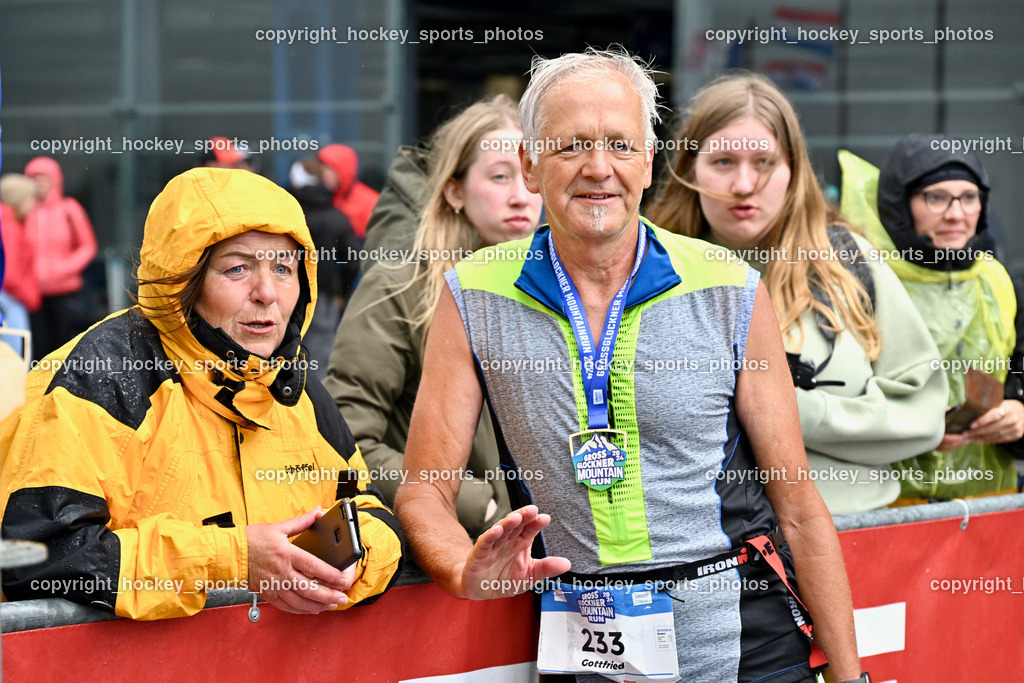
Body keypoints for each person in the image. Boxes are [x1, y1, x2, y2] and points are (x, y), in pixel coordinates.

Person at [396, 50, 864, 683]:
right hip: (582, 633)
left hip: (744, 633)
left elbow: (799, 507)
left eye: (620, 143)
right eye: (571, 146)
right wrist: (461, 568)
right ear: (530, 167)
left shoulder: (728, 287)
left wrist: (849, 673)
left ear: (648, 162)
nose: (598, 168)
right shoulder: (472, 294)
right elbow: (425, 489)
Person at [0, 168, 403, 620]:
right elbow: (34, 556)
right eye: (237, 268)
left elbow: (365, 507)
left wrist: (356, 564)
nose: (267, 293)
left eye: (283, 269)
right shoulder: (106, 373)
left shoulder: (298, 390)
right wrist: (233, 561)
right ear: (183, 282)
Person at [645, 72, 947, 515]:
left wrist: (786, 411)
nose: (744, 185)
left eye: (764, 162)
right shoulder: (647, 271)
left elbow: (921, 417)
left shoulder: (848, 263)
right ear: (689, 171)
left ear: (793, 170)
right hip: (702, 553)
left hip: (856, 538)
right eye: (723, 162)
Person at [325, 95, 541, 538]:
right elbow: (344, 442)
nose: (520, 195)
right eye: (500, 176)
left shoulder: (566, 288)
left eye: (529, 174)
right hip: (457, 557)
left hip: (560, 561)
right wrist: (478, 504)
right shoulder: (399, 287)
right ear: (454, 190)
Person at [839, 134, 1024, 502]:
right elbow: (828, 401)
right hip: (885, 513)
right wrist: (909, 427)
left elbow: (1016, 369)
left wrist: (1018, 412)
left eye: (969, 197)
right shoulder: (856, 279)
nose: (956, 214)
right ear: (899, 204)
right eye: (935, 197)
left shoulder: (997, 280)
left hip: (988, 511)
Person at [288, 156, 362, 381]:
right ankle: (317, 412)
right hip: (323, 296)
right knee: (319, 360)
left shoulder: (286, 216)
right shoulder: (337, 217)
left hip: (284, 294)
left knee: (284, 353)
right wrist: (343, 291)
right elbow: (353, 261)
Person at [23, 156, 99, 359]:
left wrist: (65, 268)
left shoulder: (69, 208)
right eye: (34, 178)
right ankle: (37, 387)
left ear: (55, 180)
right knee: (36, 344)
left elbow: (88, 246)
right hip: (31, 291)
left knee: (64, 343)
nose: (38, 183)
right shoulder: (24, 210)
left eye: (43, 178)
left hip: (64, 289)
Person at [0, 174, 41, 359]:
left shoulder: (11, 223)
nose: (33, 203)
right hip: (10, 300)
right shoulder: (9, 227)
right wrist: (29, 296)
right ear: (18, 200)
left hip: (10, 297)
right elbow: (8, 275)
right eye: (30, 198)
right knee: (19, 359)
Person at [319, 144, 380, 240]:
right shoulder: (318, 197)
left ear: (344, 170)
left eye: (330, 168)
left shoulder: (370, 203)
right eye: (322, 168)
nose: (325, 174)